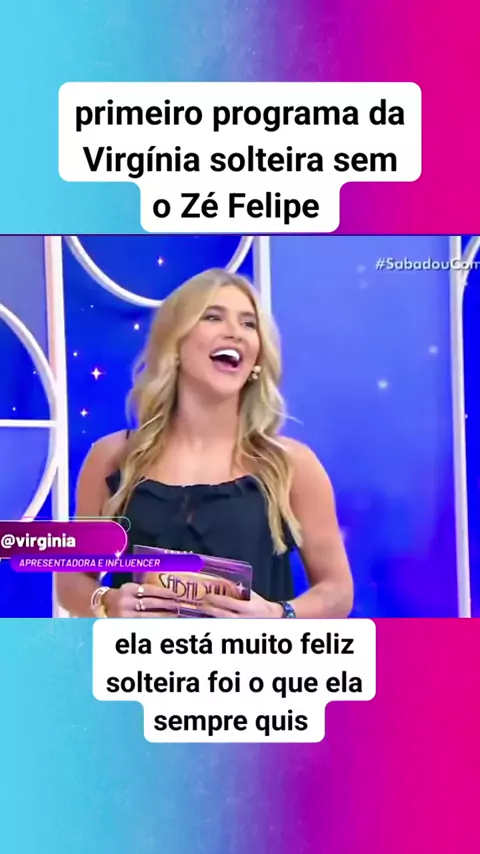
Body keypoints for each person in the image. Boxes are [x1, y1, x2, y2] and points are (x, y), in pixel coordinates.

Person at [56, 268, 353, 618]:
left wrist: (278, 615)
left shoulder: (291, 464)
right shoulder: (113, 458)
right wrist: (106, 601)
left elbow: (338, 591)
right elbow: (71, 581)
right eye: (213, 317)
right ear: (176, 343)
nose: (235, 332)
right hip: (138, 655)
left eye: (248, 324)